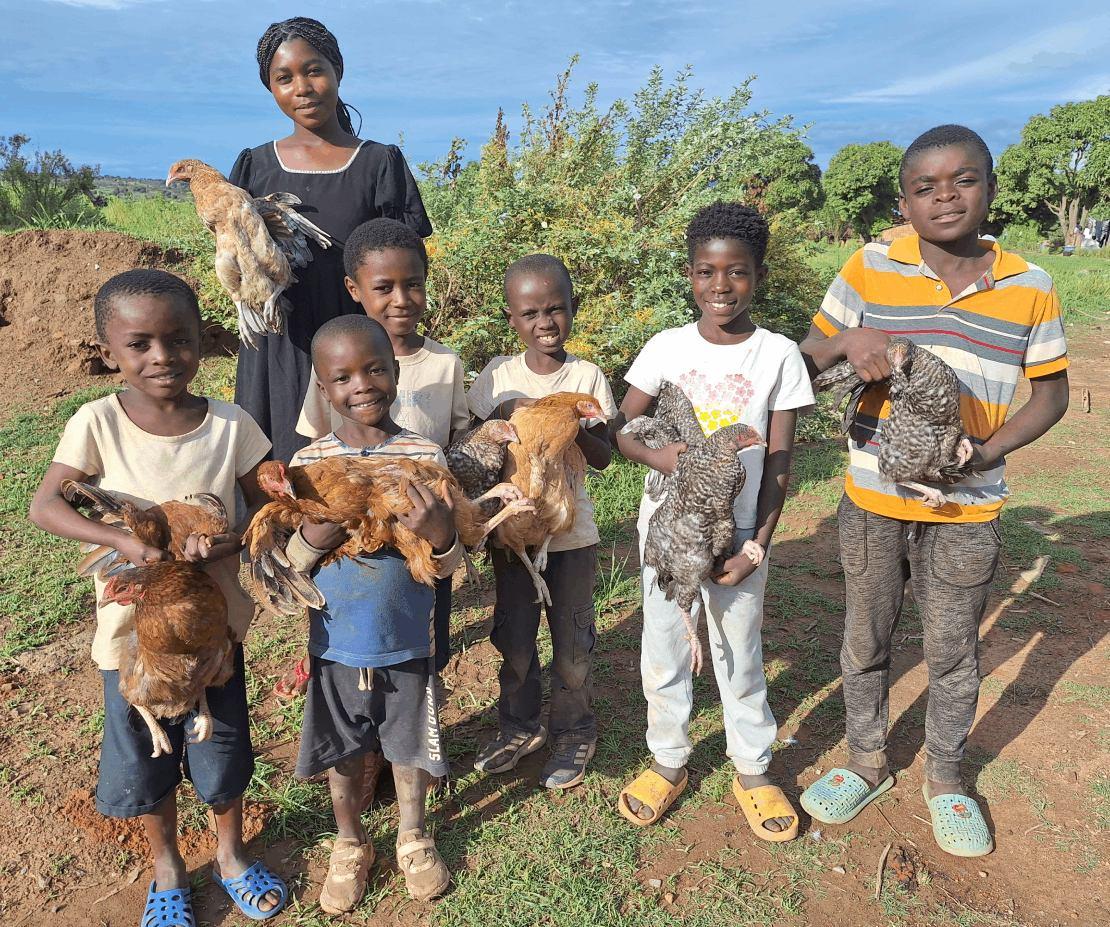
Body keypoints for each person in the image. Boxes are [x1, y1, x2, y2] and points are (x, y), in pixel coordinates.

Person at [798, 125, 1070, 858]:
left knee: (952, 649)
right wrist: (847, 342)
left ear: (992, 187)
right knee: (865, 638)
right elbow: (806, 358)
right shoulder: (870, 266)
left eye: (963, 180)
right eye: (925, 187)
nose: (945, 197)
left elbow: (1050, 396)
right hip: (871, 499)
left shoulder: (1030, 285)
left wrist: (986, 451)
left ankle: (947, 776)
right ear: (904, 202)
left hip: (967, 507)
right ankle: (865, 761)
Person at [28, 270, 286, 924]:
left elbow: (263, 510)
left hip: (212, 637)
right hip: (131, 642)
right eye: (139, 343)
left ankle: (230, 854)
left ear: (202, 340)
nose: (162, 356)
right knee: (149, 757)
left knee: (222, 751)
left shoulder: (230, 424)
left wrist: (226, 542)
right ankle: (167, 864)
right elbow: (45, 504)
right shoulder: (97, 422)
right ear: (108, 350)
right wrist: (124, 540)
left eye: (179, 339)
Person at [612, 202, 813, 838]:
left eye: (737, 272)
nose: (720, 286)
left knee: (739, 650)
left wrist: (756, 546)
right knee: (664, 646)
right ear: (690, 274)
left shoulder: (778, 354)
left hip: (738, 535)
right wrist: (662, 457)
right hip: (668, 533)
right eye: (706, 271)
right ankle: (667, 759)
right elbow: (623, 429)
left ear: (759, 275)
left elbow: (780, 459)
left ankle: (752, 768)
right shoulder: (666, 347)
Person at [282, 314, 458, 909]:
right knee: (343, 750)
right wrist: (313, 538)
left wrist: (439, 532)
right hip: (336, 642)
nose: (362, 385)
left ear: (395, 372)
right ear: (322, 387)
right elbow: (291, 566)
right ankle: (349, 841)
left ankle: (413, 835)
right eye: (344, 377)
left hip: (408, 639)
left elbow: (450, 563)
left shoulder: (424, 454)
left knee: (408, 746)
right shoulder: (309, 466)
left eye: (375, 369)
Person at [273, 218, 468, 700]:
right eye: (384, 287)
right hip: (344, 573)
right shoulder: (329, 368)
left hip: (416, 538)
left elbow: (453, 444)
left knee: (421, 658)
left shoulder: (444, 369)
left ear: (394, 374)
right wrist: (317, 527)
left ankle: (424, 696)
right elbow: (319, 460)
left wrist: (439, 525)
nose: (400, 299)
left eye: (412, 284)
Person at [232, 16, 432, 464]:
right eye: (284, 78)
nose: (302, 88)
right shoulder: (255, 167)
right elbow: (237, 257)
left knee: (365, 468)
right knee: (282, 469)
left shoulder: (378, 163)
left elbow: (405, 263)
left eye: (314, 70)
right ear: (270, 88)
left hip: (356, 346)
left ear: (337, 70)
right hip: (281, 343)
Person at [467, 254, 616, 790]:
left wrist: (571, 421)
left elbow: (605, 456)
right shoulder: (497, 377)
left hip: (570, 534)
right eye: (530, 313)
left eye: (555, 309)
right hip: (513, 533)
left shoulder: (587, 376)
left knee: (572, 642)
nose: (545, 322)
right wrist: (508, 412)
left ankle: (574, 730)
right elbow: (475, 447)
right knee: (515, 637)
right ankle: (519, 727)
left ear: (572, 308)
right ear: (512, 319)